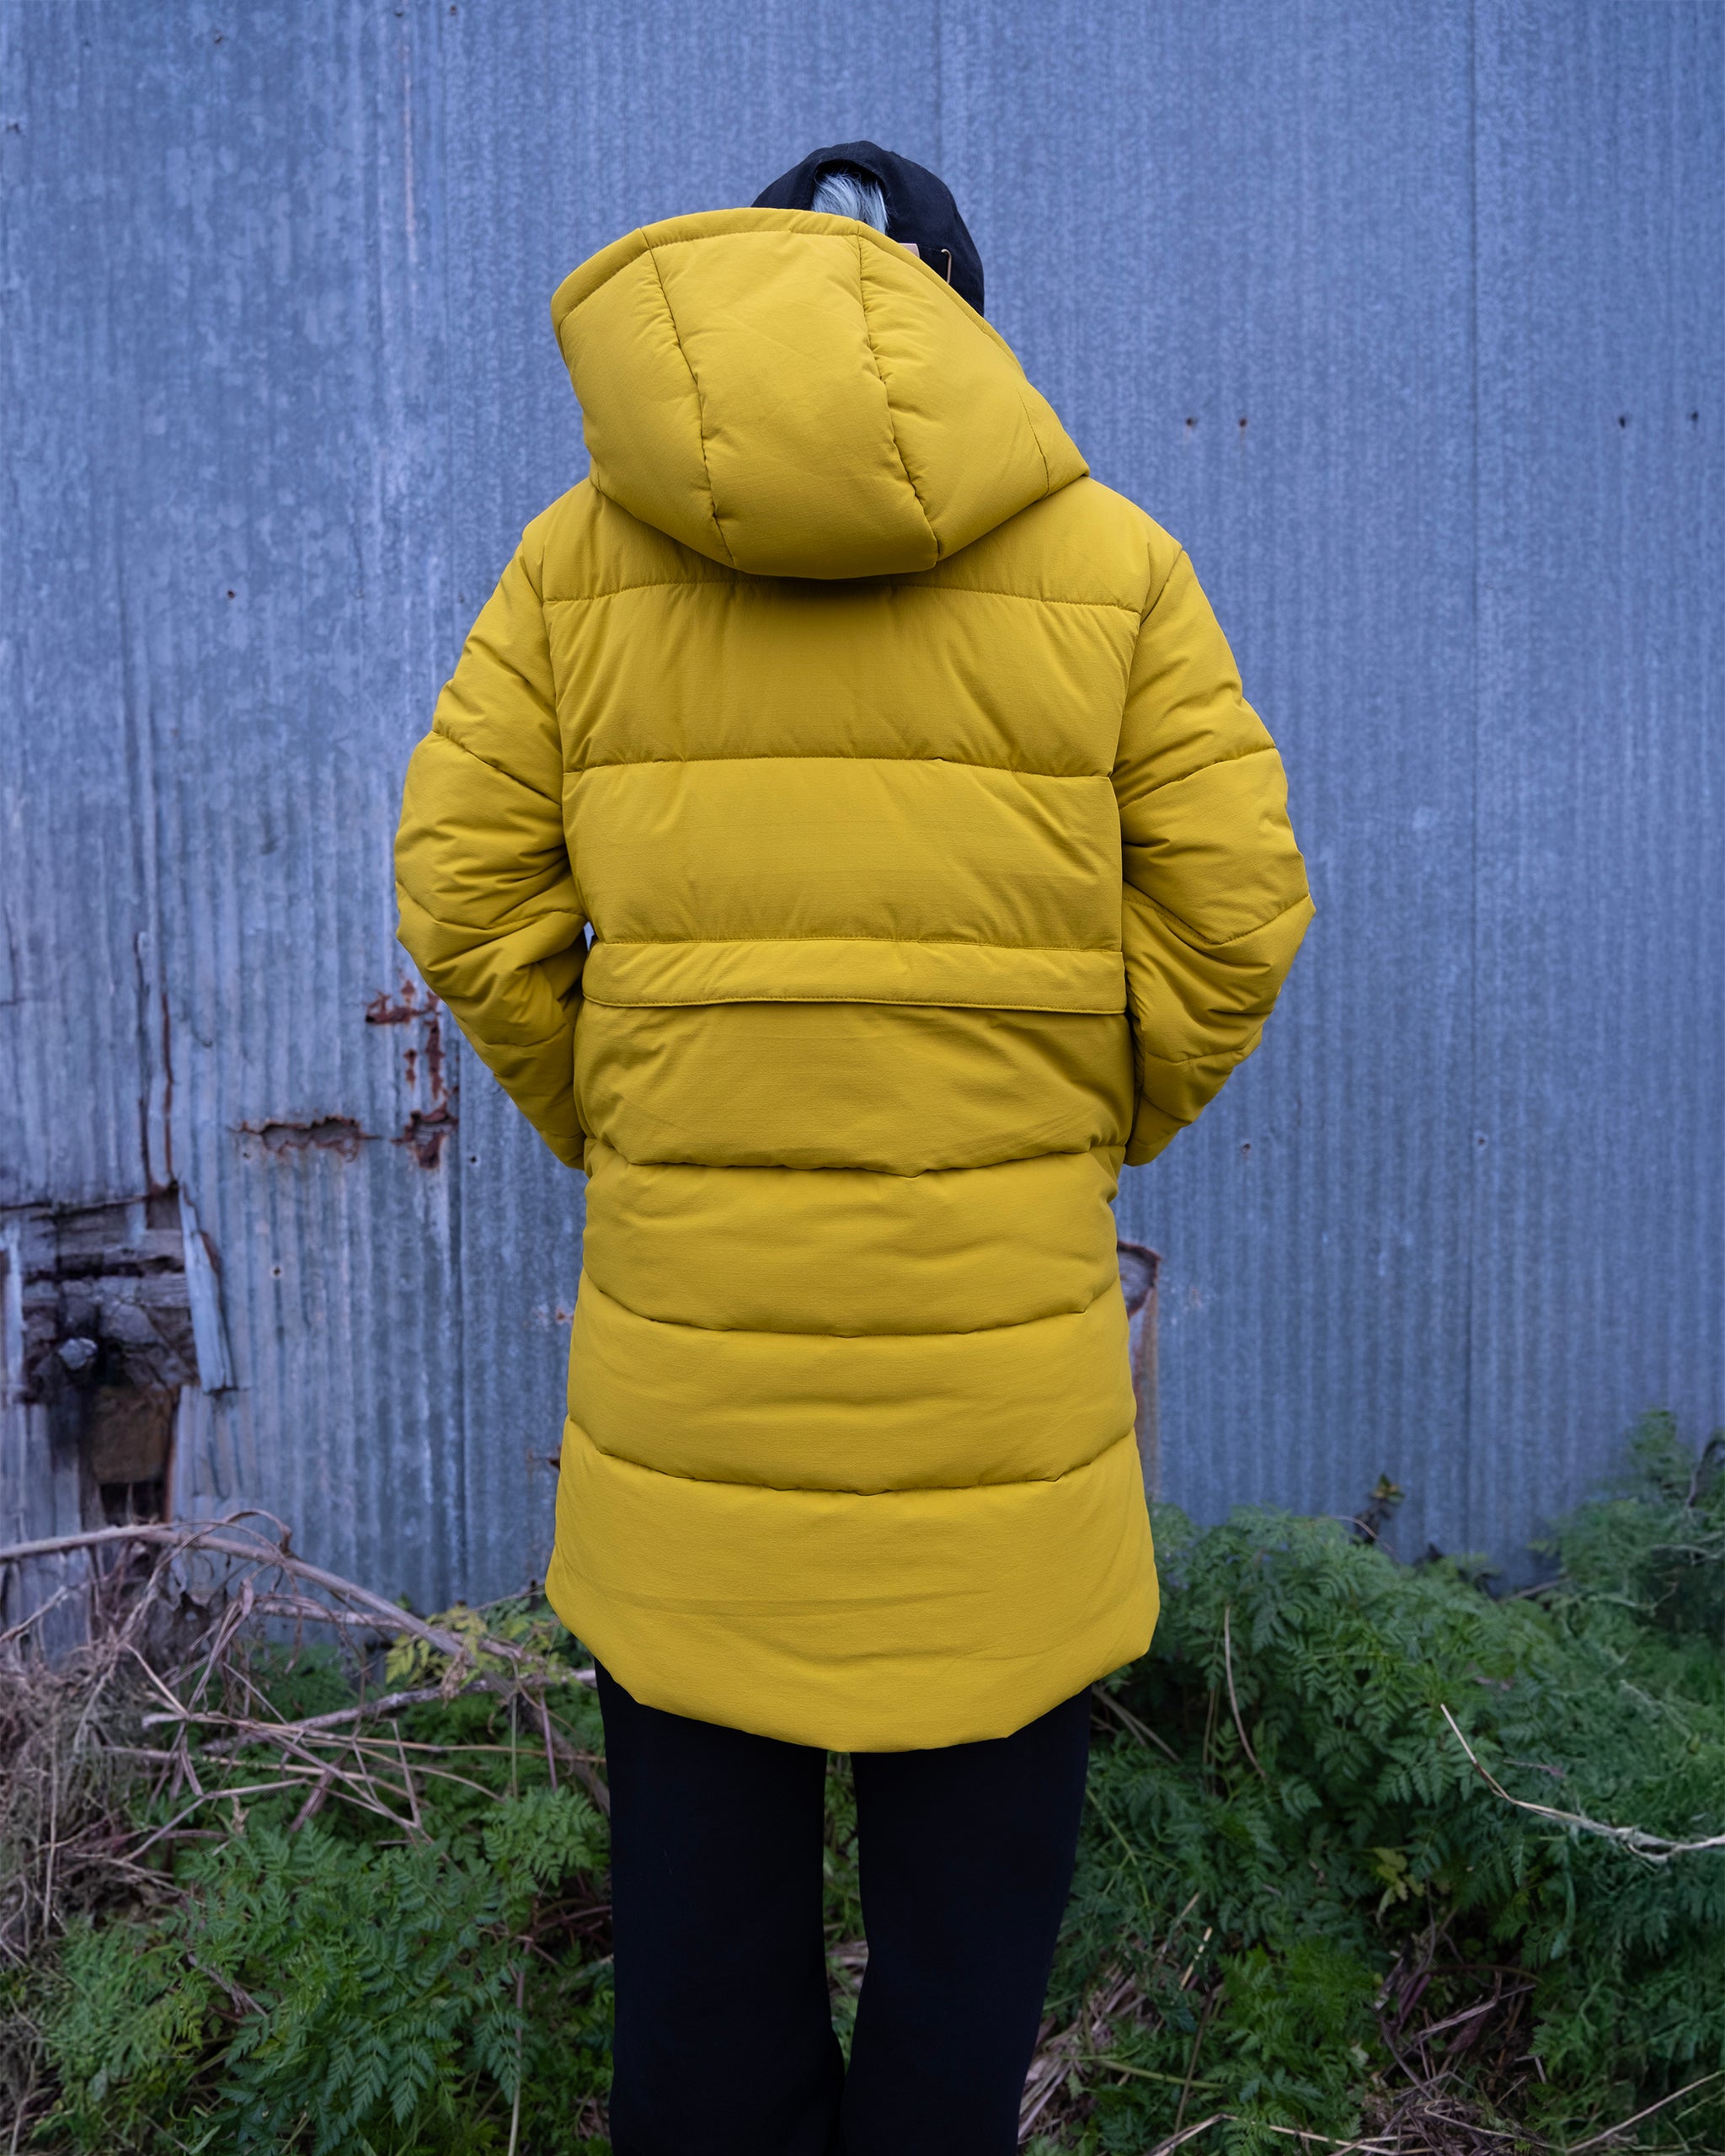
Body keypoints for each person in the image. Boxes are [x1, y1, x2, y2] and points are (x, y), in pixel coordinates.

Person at [395, 140, 1310, 2156]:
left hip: (688, 1409)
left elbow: (460, 881)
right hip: (1001, 1417)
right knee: (958, 1995)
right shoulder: (1113, 562)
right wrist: (1080, 1112)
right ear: (960, 327)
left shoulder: (577, 561)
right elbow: (1238, 907)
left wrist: (619, 1110)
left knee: (702, 1998)